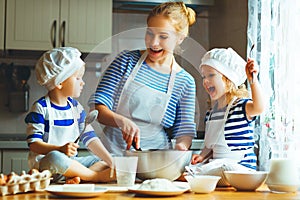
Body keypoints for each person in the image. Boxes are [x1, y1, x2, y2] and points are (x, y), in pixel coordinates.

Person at [88, 2, 197, 155]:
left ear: (180, 38)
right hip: (111, 156)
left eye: (163, 36)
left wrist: (181, 148)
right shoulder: (126, 61)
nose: (153, 42)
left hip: (155, 159)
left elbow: (184, 130)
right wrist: (121, 121)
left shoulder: (185, 82)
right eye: (150, 33)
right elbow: (98, 109)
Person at [24, 47, 115, 184]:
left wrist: (110, 160)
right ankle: (94, 177)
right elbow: (34, 144)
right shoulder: (41, 108)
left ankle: (76, 177)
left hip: (71, 164)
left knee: (107, 158)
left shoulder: (76, 108)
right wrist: (59, 149)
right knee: (55, 157)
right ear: (59, 82)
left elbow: (90, 138)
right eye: (77, 78)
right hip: (48, 167)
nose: (82, 82)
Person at [190, 47, 264, 186]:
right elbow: (210, 147)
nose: (205, 81)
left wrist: (253, 80)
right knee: (192, 171)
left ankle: (200, 177)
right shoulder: (211, 113)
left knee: (223, 169)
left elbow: (259, 107)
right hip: (217, 166)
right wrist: (201, 156)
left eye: (211, 75)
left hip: (241, 169)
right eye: (204, 77)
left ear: (229, 79)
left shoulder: (241, 106)